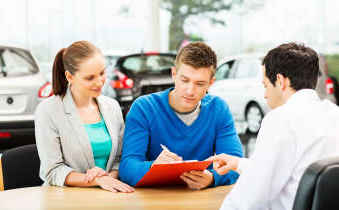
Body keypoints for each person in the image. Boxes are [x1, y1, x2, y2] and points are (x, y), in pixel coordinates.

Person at [211, 43, 339, 209]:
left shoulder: (280, 120)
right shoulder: (333, 114)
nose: (265, 94)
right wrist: (239, 164)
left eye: (265, 85)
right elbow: (299, 170)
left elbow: (247, 199)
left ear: (280, 81)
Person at [119, 42, 244, 189]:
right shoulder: (144, 108)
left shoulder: (218, 109)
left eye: (200, 83)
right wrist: (154, 166)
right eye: (184, 80)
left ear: (210, 83)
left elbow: (236, 164)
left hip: (201, 200)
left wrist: (212, 178)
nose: (190, 91)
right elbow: (127, 167)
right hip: (154, 200)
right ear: (174, 74)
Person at [35, 40, 133, 193]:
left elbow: (120, 159)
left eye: (102, 73)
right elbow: (52, 170)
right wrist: (97, 179)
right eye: (90, 78)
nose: (99, 82)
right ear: (70, 77)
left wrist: (108, 178)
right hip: (64, 199)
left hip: (108, 195)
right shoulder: (48, 111)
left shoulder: (112, 107)